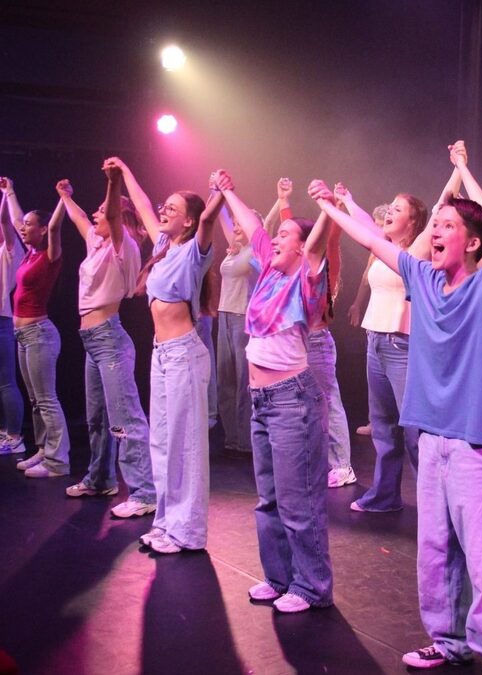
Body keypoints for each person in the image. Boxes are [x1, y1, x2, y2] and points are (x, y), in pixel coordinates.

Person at [308, 138, 482, 673]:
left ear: (473, 242)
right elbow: (371, 238)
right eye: (433, 225)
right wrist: (329, 207)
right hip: (430, 437)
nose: (435, 232)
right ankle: (450, 639)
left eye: (447, 226)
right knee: (436, 552)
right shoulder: (422, 279)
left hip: (478, 442)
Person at [215, 171, 333, 614]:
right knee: (268, 500)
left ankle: (311, 587)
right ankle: (280, 577)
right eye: (278, 234)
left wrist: (326, 210)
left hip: (292, 400)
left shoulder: (305, 280)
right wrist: (228, 188)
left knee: (298, 501)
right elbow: (252, 224)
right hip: (262, 401)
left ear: (301, 247)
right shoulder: (267, 269)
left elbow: (317, 244)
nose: (275, 238)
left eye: (287, 234)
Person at [106, 156, 222, 554]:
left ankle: (187, 532)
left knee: (185, 444)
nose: (163, 210)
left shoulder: (195, 251)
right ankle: (166, 523)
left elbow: (208, 222)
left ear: (189, 221)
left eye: (172, 208)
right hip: (161, 355)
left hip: (185, 355)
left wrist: (217, 194)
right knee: (162, 442)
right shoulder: (162, 246)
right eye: (165, 206)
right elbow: (140, 204)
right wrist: (125, 172)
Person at [338, 157, 459, 512]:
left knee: (414, 430)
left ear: (415, 221)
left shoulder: (417, 249)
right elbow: (362, 225)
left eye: (397, 209)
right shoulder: (382, 246)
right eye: (389, 207)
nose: (389, 212)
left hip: (402, 345)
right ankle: (386, 494)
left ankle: (434, 500)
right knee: (382, 426)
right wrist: (344, 202)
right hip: (375, 341)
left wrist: (457, 167)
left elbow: (442, 203)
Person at [55, 169, 156, 517]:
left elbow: (109, 214)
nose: (95, 214)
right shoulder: (96, 244)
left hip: (110, 341)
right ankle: (100, 479)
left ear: (119, 217)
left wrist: (113, 182)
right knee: (97, 418)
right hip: (91, 343)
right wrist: (65, 195)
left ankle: (144, 492)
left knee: (125, 418)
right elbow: (81, 218)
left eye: (103, 210)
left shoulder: (121, 246)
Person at [275, 177, 356, 488]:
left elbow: (330, 239)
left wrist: (331, 206)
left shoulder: (322, 266)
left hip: (317, 342)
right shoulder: (292, 267)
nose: (281, 240)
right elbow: (291, 233)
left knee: (327, 401)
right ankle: (315, 460)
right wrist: (283, 201)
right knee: (302, 404)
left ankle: (343, 465)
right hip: (297, 341)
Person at [5, 183, 70, 478]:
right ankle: (43, 450)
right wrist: (10, 193)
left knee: (46, 398)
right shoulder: (30, 253)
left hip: (40, 334)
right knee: (35, 400)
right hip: (23, 336)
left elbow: (56, 227)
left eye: (31, 225)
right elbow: (17, 220)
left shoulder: (49, 255)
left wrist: (63, 199)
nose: (23, 228)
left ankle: (58, 462)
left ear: (42, 230)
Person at [215, 196, 259, 454]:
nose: (236, 227)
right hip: (224, 315)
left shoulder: (254, 251)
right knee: (225, 379)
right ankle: (232, 437)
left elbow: (260, 229)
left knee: (243, 380)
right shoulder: (234, 249)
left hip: (242, 317)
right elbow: (223, 218)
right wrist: (217, 194)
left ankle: (245, 438)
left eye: (241, 224)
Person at [347, 202, 389, 437]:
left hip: (396, 323)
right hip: (374, 319)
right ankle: (376, 422)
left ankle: (403, 426)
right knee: (375, 378)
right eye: (378, 225)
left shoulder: (401, 249)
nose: (379, 229)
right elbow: (365, 278)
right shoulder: (376, 250)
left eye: (383, 224)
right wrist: (356, 304)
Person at [0, 181, 26, 456]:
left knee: (6, 382)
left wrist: (7, 194)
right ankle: (4, 431)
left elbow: (7, 223)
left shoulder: (9, 252)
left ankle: (15, 435)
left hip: (2, 321)